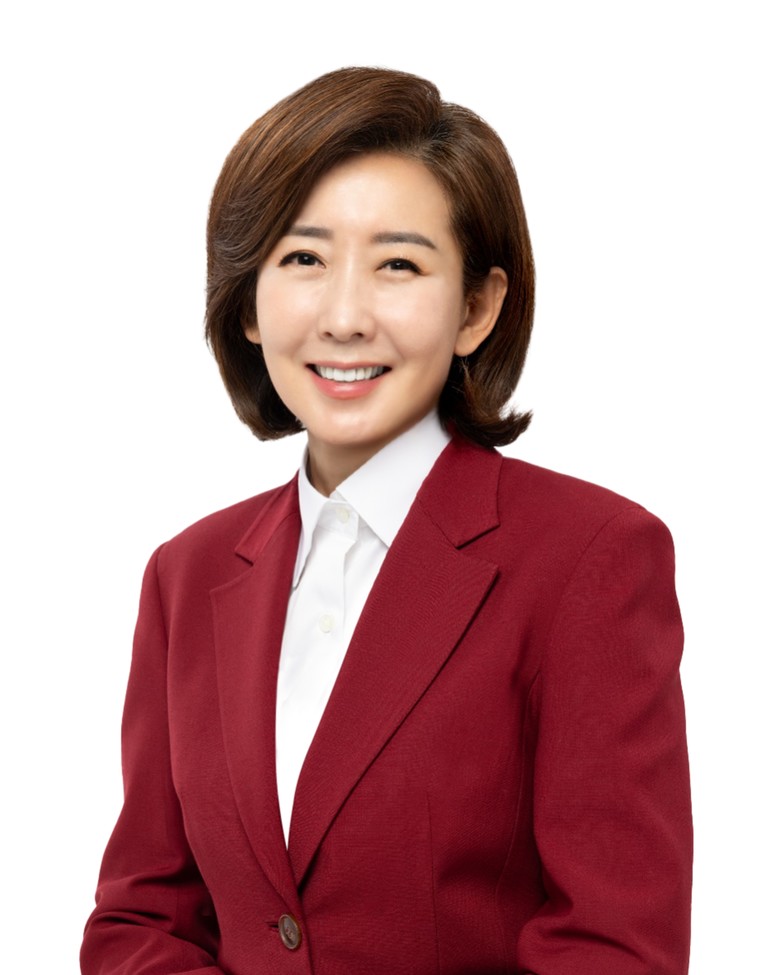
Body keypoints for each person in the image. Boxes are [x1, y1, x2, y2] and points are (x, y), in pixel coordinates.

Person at [81, 67, 692, 975]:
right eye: (303, 259)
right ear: (247, 301)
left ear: (476, 308)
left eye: (398, 265)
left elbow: (613, 947)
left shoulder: (591, 557)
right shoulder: (187, 571)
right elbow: (143, 918)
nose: (344, 316)